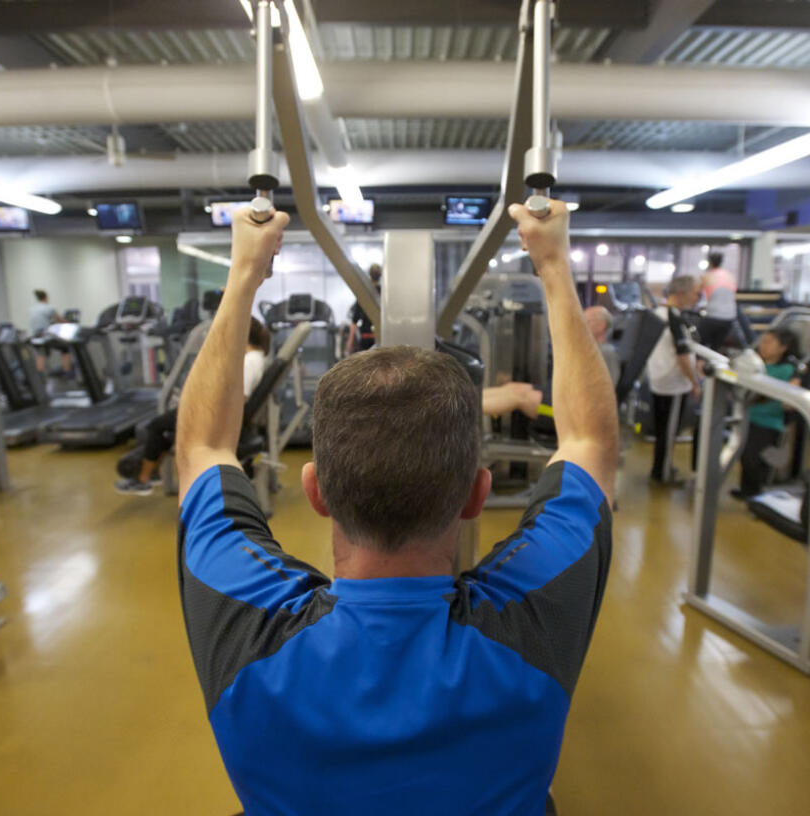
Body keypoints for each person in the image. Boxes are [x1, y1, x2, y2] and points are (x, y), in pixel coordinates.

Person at [175, 200, 615, 815]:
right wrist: (553, 264)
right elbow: (589, 443)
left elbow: (201, 446)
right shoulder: (531, 621)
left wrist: (244, 271)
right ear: (476, 495)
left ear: (316, 492)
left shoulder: (250, 623)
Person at [113, 317, 271, 496]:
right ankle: (153, 473)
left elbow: (239, 399)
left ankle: (143, 480)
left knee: (157, 425)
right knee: (163, 431)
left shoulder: (250, 361)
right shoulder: (255, 357)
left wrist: (203, 403)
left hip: (213, 416)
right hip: (213, 411)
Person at [647, 275, 702, 484]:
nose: (698, 297)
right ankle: (662, 473)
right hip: (672, 385)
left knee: (664, 432)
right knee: (668, 433)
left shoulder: (658, 314)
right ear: (682, 292)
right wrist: (695, 382)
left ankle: (661, 469)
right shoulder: (674, 319)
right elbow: (682, 356)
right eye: (695, 292)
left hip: (660, 380)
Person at [735, 327, 800, 499]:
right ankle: (746, 491)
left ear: (782, 348)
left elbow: (789, 400)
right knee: (744, 456)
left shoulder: (788, 369)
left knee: (754, 460)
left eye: (769, 342)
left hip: (769, 422)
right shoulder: (756, 364)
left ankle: (755, 496)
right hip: (747, 416)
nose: (763, 345)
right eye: (763, 341)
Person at [699, 252, 739, 350]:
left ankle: (700, 362)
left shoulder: (707, 276)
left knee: (701, 343)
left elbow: (699, 295)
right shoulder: (730, 275)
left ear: (710, 263)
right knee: (716, 346)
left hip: (713, 315)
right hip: (729, 316)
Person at [346, 264, 381, 354]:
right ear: (380, 275)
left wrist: (350, 341)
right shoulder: (384, 295)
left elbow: (354, 321)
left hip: (365, 339)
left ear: (369, 275)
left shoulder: (364, 294)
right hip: (380, 339)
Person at [583, 305, 620, 384]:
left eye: (589, 321)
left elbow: (609, 385)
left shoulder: (606, 352)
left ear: (601, 325)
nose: (584, 325)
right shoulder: (592, 350)